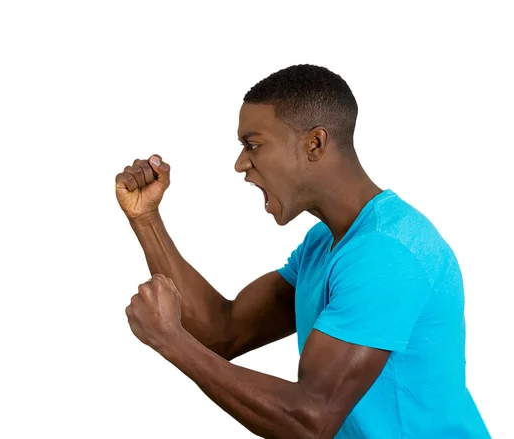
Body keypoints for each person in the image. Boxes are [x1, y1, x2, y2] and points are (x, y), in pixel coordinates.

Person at [116, 64, 491, 438]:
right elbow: (223, 332)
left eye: (253, 144)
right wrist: (146, 218)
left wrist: (172, 342)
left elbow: (310, 420)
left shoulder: (386, 254)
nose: (240, 164)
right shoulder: (325, 242)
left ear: (315, 143)